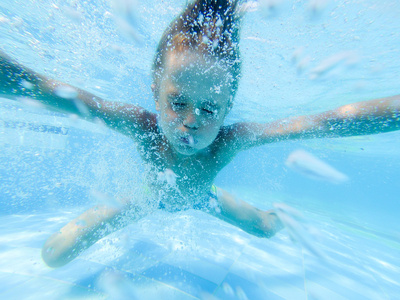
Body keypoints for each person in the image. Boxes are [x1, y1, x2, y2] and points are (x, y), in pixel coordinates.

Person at [0, 0, 399, 268]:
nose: (191, 121)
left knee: (267, 228)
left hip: (204, 200)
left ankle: (273, 213)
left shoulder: (231, 140)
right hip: (145, 200)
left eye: (209, 110)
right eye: (178, 103)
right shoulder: (141, 127)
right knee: (53, 255)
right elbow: (49, 92)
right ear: (155, 93)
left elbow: (322, 121)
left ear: (227, 110)